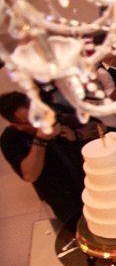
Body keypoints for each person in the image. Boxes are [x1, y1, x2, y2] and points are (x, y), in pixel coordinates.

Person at [0, 91, 86, 228]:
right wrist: (40, 140)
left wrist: (77, 134)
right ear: (17, 125)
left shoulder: (54, 111)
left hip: (92, 182)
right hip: (67, 202)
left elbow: (99, 127)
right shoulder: (9, 140)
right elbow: (30, 175)